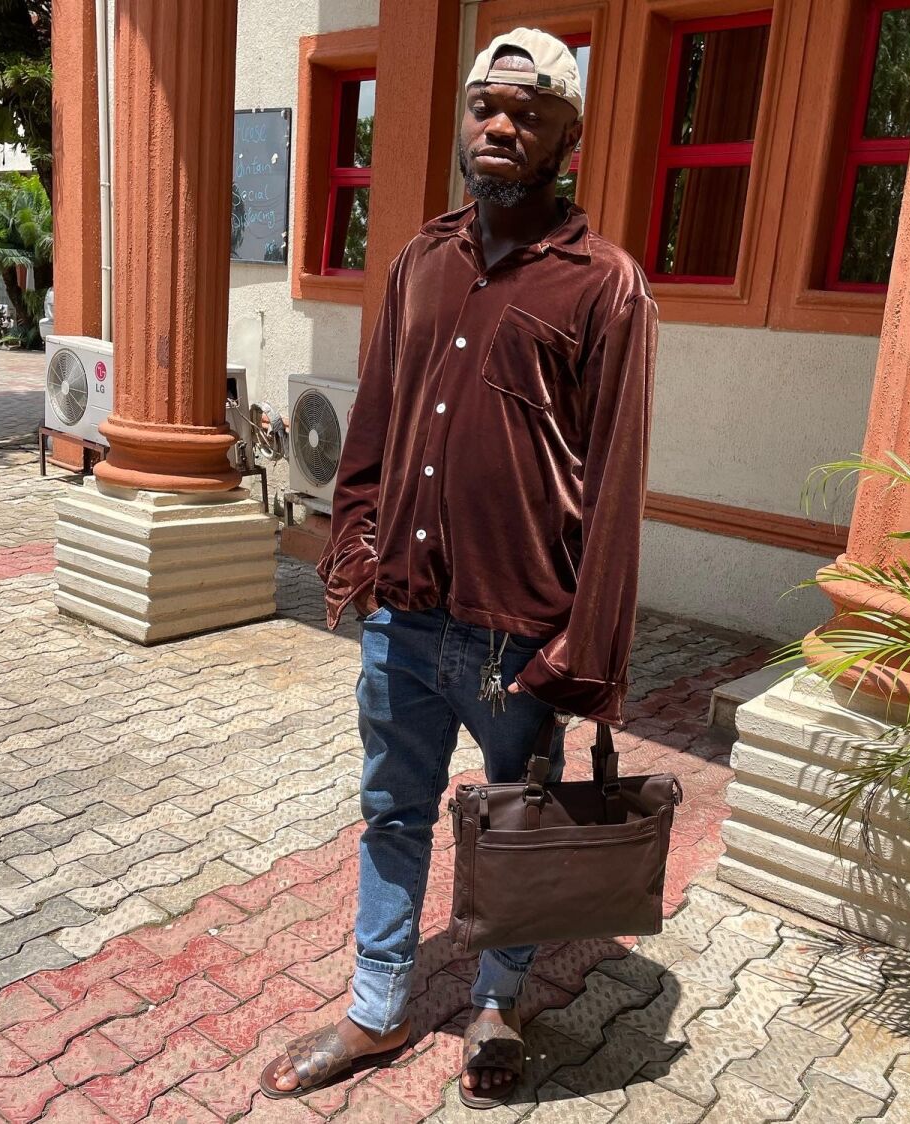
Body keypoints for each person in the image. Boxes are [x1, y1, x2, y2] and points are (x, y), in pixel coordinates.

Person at [260, 26, 657, 1110]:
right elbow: (374, 425)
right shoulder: (420, 261)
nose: (501, 126)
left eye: (529, 114)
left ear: (568, 138)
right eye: (486, 106)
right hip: (405, 615)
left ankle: (496, 1003)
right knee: (393, 811)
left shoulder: (607, 286)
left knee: (516, 829)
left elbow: (617, 484)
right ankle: (378, 1004)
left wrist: (585, 651)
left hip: (521, 635)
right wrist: (354, 549)